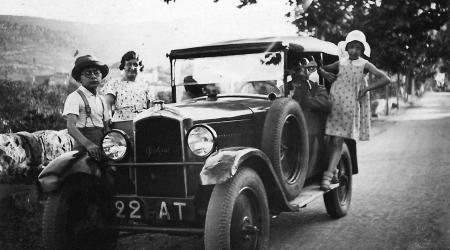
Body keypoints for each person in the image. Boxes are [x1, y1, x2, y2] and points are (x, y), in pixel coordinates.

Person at [318, 30, 390, 190]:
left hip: (350, 107)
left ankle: (327, 177)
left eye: (358, 47)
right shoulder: (340, 63)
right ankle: (335, 171)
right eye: (351, 47)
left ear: (362, 50)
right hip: (335, 104)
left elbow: (386, 78)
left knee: (338, 140)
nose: (354, 50)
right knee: (330, 139)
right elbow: (321, 68)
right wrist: (322, 72)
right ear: (347, 48)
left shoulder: (365, 64)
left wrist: (367, 89)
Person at [63, 55, 110, 160]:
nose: (93, 76)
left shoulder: (102, 99)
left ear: (101, 76)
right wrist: (88, 145)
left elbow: (106, 127)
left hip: (102, 148)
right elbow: (71, 127)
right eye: (88, 73)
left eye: (96, 72)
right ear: (80, 78)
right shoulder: (74, 97)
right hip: (83, 149)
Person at [101, 51, 154, 121]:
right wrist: (108, 118)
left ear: (140, 67)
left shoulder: (146, 85)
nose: (132, 68)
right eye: (129, 64)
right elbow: (107, 105)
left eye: (135, 65)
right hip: (120, 124)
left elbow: (151, 109)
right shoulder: (114, 83)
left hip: (141, 124)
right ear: (123, 66)